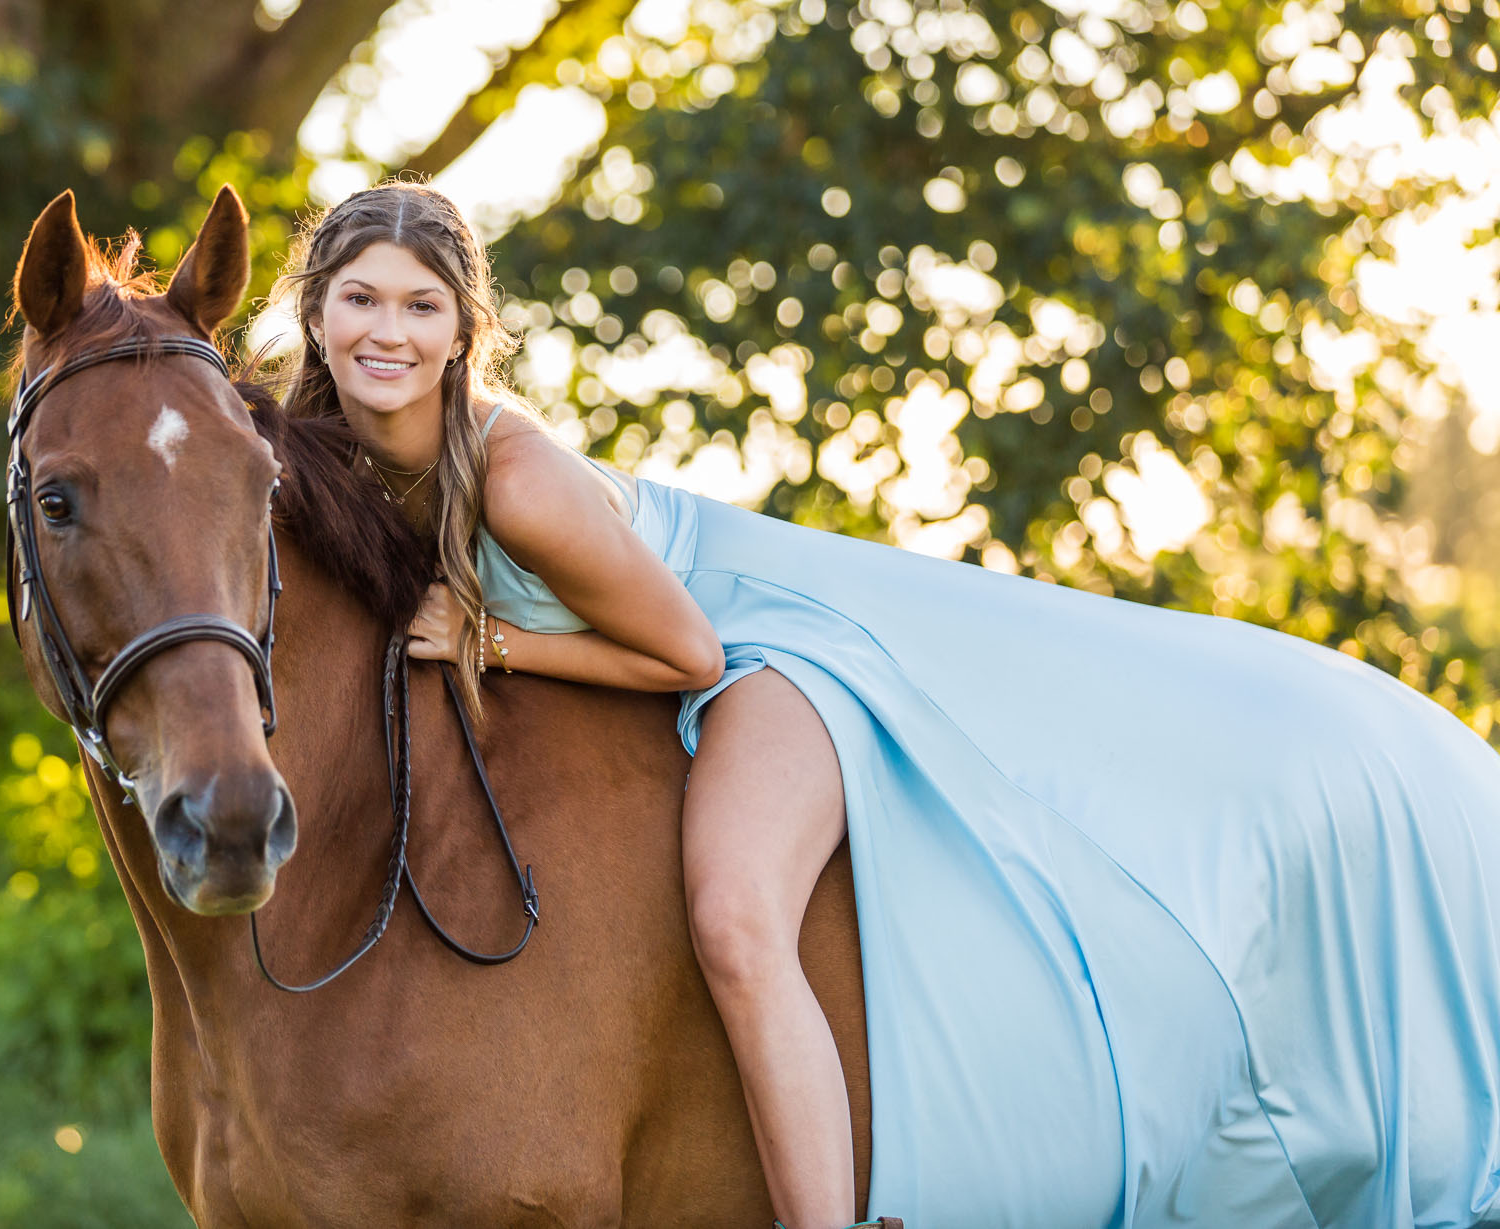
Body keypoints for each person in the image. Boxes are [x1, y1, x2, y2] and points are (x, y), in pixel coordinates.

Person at [258, 178, 1500, 1229]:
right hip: (669, 653)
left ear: (464, 327)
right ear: (313, 312)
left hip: (757, 646)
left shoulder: (514, 477)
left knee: (736, 915)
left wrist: (488, 641)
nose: (388, 331)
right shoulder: (320, 448)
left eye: (420, 305)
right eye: (359, 298)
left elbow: (685, 653)